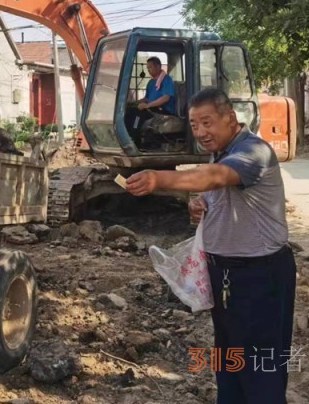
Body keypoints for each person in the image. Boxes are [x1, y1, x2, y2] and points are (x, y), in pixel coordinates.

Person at [126, 88, 296, 404]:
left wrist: (159, 179)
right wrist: (201, 204)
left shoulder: (253, 152)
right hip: (226, 278)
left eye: (207, 122)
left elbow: (216, 177)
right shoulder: (220, 152)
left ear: (230, 118)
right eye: (194, 124)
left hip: (259, 277)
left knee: (261, 369)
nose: (201, 132)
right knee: (228, 365)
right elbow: (215, 189)